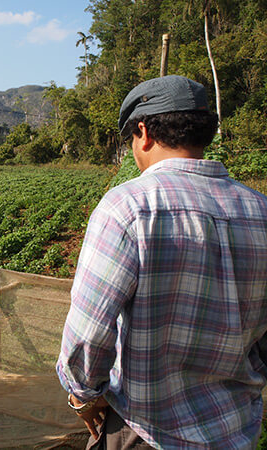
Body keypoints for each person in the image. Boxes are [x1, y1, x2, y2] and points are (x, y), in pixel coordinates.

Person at [56, 75, 267, 449]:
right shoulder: (260, 210)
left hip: (148, 431)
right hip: (234, 429)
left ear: (144, 132)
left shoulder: (128, 208)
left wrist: (83, 395)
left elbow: (88, 333)